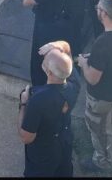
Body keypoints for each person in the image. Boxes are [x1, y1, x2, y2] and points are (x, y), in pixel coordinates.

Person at [77, 0, 112, 173]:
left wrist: (84, 63)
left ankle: (102, 161)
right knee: (111, 122)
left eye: (98, 9)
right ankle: (111, 143)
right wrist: (92, 59)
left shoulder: (102, 43)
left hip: (101, 96)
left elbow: (93, 78)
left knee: (99, 129)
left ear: (104, 13)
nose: (97, 11)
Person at [18, 48, 78, 178]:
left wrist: (23, 104)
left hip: (43, 155)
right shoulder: (74, 86)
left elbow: (26, 137)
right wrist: (57, 46)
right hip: (64, 145)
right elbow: (67, 49)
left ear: (49, 72)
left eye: (45, 59)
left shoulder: (37, 100)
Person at [23, 0, 73, 86]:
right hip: (57, 23)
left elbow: (27, 1)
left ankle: (38, 85)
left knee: (38, 56)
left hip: (44, 25)